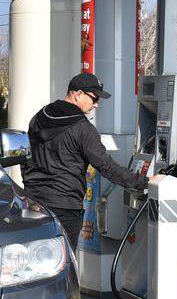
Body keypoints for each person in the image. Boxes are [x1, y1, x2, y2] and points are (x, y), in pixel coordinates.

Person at [23, 73, 155, 250]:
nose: (96, 104)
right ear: (77, 94)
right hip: (64, 207)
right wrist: (144, 182)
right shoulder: (83, 129)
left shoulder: (39, 117)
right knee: (64, 265)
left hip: (33, 203)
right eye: (94, 98)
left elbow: (25, 155)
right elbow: (107, 167)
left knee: (33, 262)